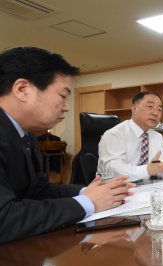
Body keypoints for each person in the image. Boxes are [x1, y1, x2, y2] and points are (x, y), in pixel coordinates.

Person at [0, 47, 134, 244]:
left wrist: (87, 191)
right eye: (63, 95)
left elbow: (38, 191)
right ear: (22, 89)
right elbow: (5, 220)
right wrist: (88, 202)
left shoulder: (26, 136)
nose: (67, 106)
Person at [98, 91, 163, 183]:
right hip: (115, 190)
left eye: (159, 109)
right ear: (134, 108)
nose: (155, 113)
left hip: (145, 190)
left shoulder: (158, 137)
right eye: (150, 106)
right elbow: (114, 172)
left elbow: (162, 166)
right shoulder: (115, 134)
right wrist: (147, 170)